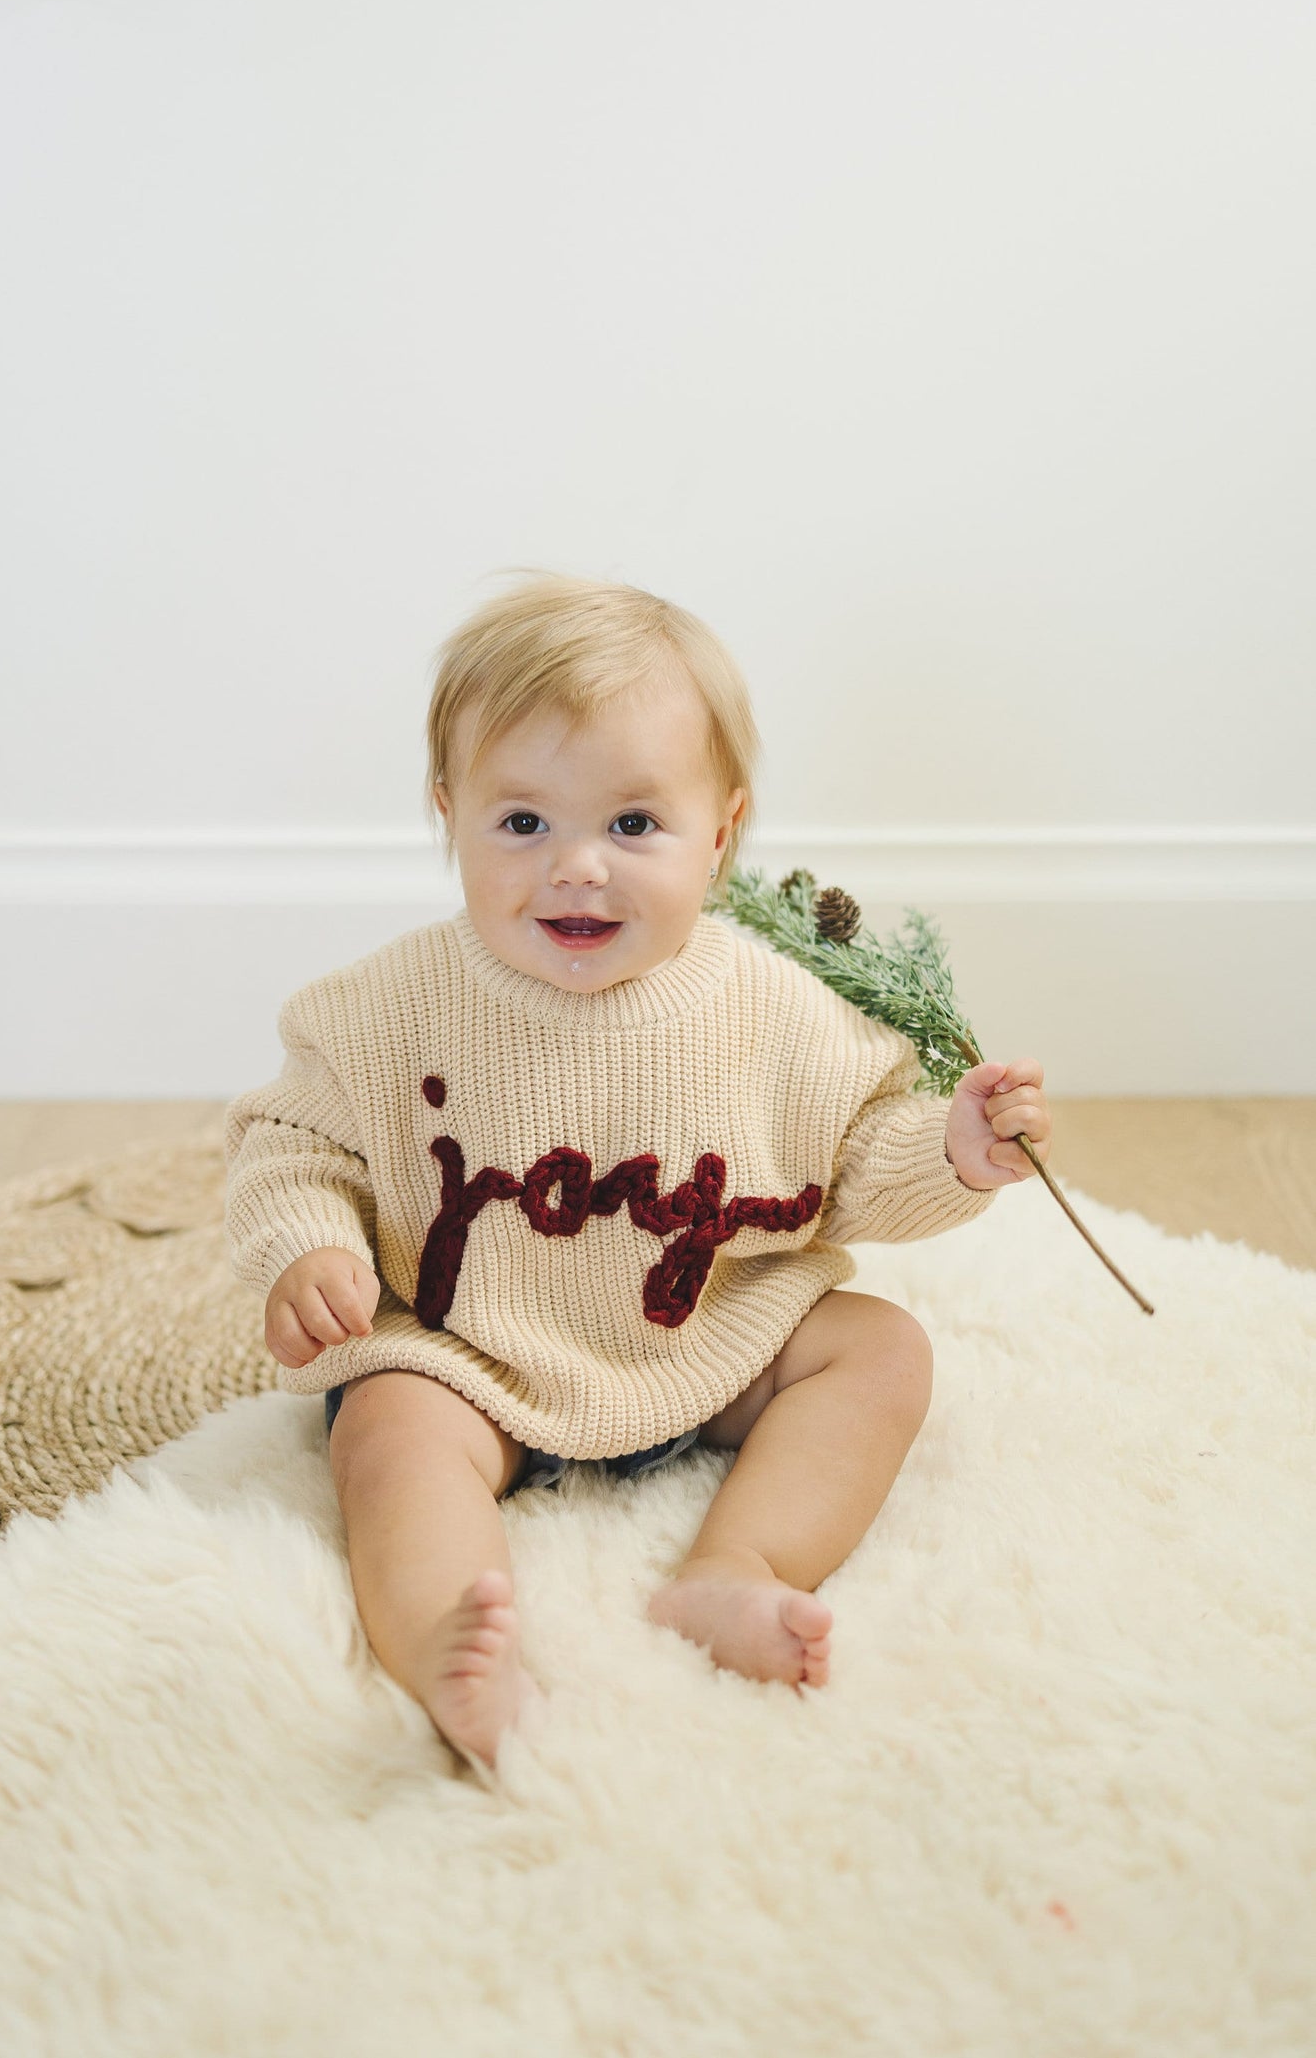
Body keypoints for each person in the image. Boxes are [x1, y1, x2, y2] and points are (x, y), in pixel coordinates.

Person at [223, 569, 1053, 1772]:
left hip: (709, 1346)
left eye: (630, 825)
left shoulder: (779, 1009)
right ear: (448, 814)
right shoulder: (385, 1008)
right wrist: (311, 1246)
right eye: (522, 823)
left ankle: (735, 1565)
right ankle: (451, 1645)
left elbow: (854, 1155)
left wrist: (953, 1152)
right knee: (386, 1434)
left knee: (878, 1349)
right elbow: (291, 1140)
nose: (575, 867)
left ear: (718, 832)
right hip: (471, 1356)